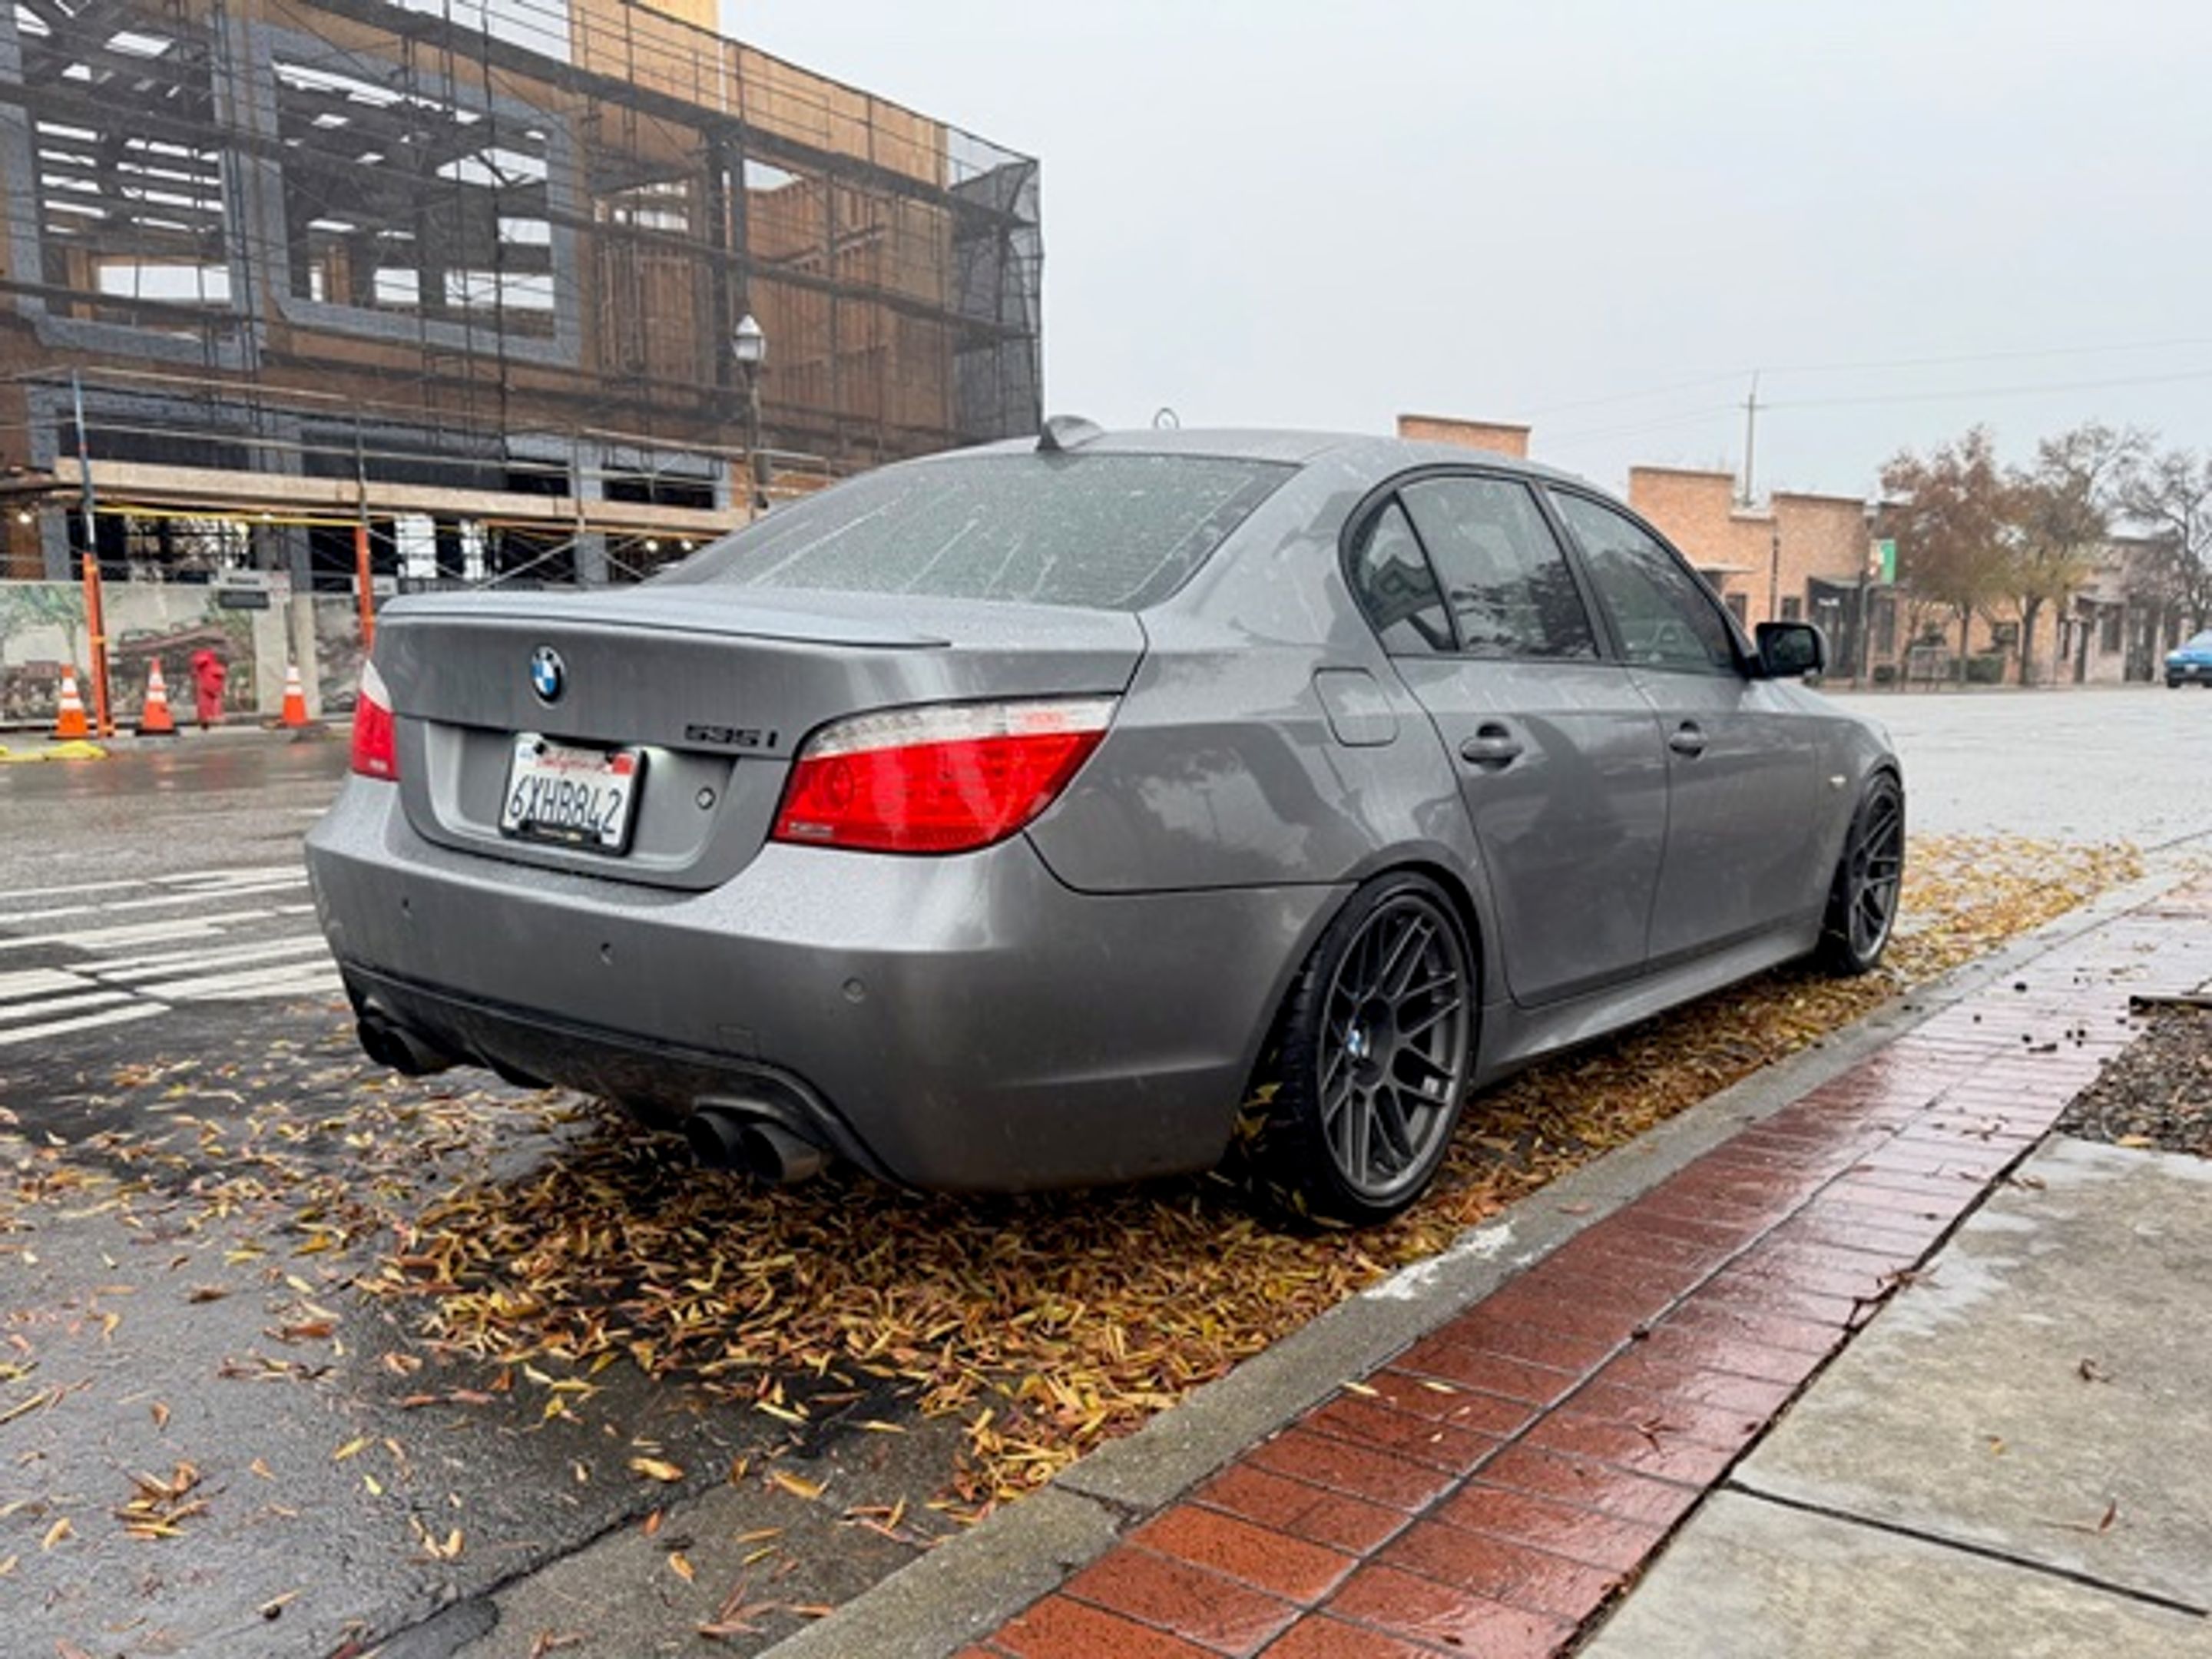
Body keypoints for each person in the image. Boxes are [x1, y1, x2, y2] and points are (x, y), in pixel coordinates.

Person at [188, 647, 227, 731]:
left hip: (206, 684)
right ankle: (213, 717)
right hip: (213, 684)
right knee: (214, 702)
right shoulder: (213, 664)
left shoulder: (202, 662)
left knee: (205, 703)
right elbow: (221, 673)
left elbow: (195, 671)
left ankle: (206, 719)